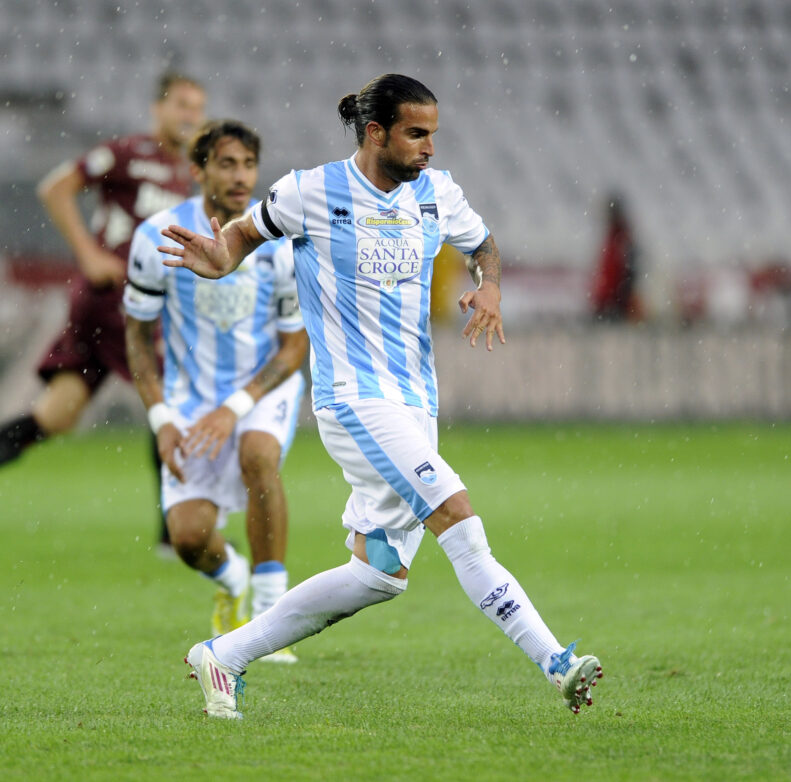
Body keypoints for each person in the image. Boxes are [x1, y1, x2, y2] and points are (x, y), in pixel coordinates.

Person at [159, 74, 603, 719]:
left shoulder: (437, 193)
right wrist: (219, 256)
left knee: (379, 574)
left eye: (433, 135)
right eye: (416, 134)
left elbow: (484, 245)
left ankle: (222, 655)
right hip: (353, 399)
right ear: (376, 133)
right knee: (457, 514)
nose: (428, 148)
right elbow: (243, 237)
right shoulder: (310, 191)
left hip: (415, 400)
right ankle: (556, 661)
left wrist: (491, 286)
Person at [125, 119, 309, 661]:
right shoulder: (157, 236)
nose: (240, 176)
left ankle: (271, 622)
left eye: (248, 164)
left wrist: (234, 409)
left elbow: (294, 348)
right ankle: (234, 580)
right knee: (187, 539)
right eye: (226, 163)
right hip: (189, 398)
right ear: (197, 169)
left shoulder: (277, 242)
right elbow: (137, 338)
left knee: (259, 456)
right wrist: (161, 421)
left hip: (260, 387)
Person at [0, 72, 207, 553]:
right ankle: (172, 536)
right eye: (180, 105)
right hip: (111, 299)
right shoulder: (127, 154)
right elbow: (56, 188)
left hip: (130, 304)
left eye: (196, 108)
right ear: (158, 108)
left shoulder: (191, 173)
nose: (189, 116)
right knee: (169, 403)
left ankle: (171, 532)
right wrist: (89, 255)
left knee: (55, 416)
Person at [590, 193, 641, 321]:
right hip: (608, 301)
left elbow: (629, 273)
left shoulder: (621, 238)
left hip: (614, 303)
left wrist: (620, 299)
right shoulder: (615, 236)